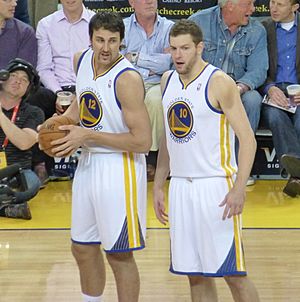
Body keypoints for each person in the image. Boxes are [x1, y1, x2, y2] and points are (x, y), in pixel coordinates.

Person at [43, 12, 151, 302]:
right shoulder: (82, 60)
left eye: (113, 41)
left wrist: (87, 135)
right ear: (90, 39)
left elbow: (142, 141)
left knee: (118, 254)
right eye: (100, 40)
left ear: (121, 42)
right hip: (89, 164)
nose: (106, 48)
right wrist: (62, 121)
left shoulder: (127, 79)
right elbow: (84, 99)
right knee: (82, 247)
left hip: (121, 168)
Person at [153, 20, 259, 302]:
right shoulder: (167, 81)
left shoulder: (219, 82)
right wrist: (159, 184)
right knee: (194, 274)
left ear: (200, 48)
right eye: (174, 48)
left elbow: (248, 140)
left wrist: (238, 188)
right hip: (180, 187)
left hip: (215, 188)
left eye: (185, 48)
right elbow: (168, 138)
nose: (178, 55)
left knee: (233, 273)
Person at [188, 0, 268, 185]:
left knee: (253, 99)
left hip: (238, 89)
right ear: (230, 5)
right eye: (248, 4)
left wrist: (238, 88)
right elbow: (184, 61)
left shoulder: (257, 31)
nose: (253, 9)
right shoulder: (198, 23)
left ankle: (240, 168)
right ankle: (199, 164)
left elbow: (258, 70)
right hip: (204, 88)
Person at [122, 0, 173, 180]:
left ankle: (151, 157)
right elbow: (118, 59)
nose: (150, 1)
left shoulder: (169, 28)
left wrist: (135, 57)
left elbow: (171, 61)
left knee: (155, 99)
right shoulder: (122, 27)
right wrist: (154, 63)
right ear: (132, 3)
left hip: (159, 82)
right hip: (128, 82)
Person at [260, 0, 300, 197]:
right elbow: (258, 65)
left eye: (280, 4)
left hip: (298, 91)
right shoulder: (263, 29)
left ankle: (295, 176)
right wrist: (269, 87)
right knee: (275, 117)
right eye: (272, 2)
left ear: (294, 7)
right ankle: (297, 174)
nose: (273, 8)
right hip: (273, 90)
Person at [0, 58, 44, 220]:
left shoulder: (34, 112)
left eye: (24, 79)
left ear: (28, 89)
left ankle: (6, 199)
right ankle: (5, 208)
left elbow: (24, 142)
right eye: (13, 75)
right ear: (3, 78)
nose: (18, 81)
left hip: (17, 171)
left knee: (32, 186)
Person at [36, 0, 94, 114]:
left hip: (89, 88)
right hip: (55, 90)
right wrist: (60, 94)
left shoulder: (97, 22)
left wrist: (79, 94)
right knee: (36, 96)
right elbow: (44, 68)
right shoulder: (45, 24)